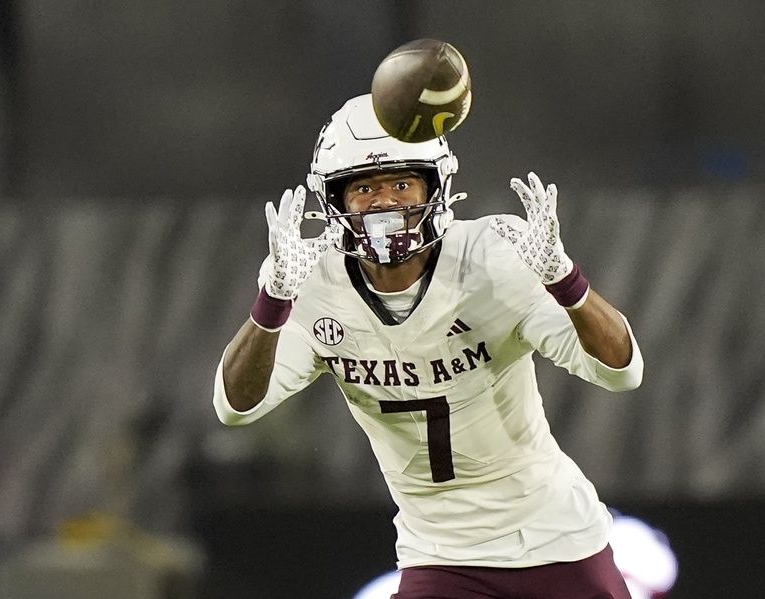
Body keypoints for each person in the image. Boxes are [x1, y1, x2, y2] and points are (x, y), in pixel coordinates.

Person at [212, 93, 644, 599]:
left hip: (555, 537)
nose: (385, 201)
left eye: (401, 182)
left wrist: (564, 280)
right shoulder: (315, 283)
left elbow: (622, 370)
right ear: (334, 202)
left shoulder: (489, 258)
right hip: (440, 556)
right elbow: (235, 407)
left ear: (435, 187)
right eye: (364, 187)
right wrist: (273, 301)